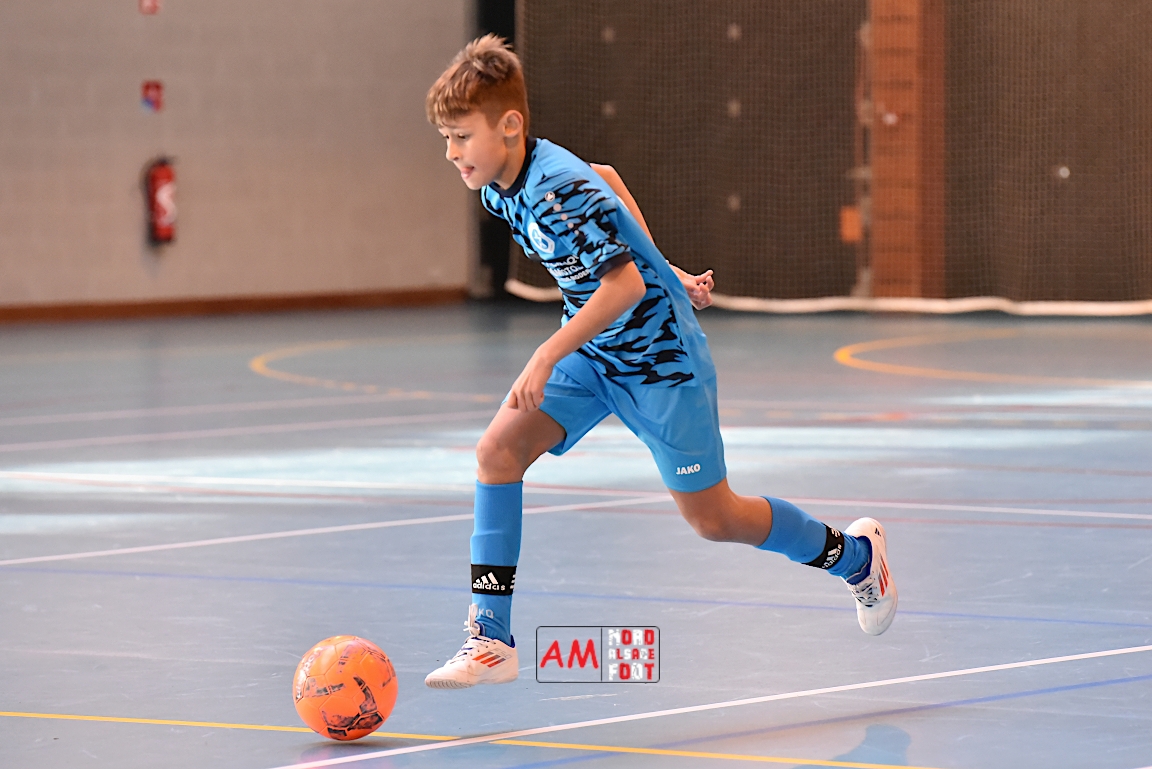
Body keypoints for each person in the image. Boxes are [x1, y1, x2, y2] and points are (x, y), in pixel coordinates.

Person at [422, 36, 897, 689]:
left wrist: (553, 347)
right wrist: (665, 267)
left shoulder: (556, 189)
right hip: (594, 352)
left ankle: (855, 558)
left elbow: (622, 286)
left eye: (460, 137)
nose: (451, 153)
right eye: (445, 138)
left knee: (715, 519)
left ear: (509, 125)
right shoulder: (501, 185)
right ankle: (491, 637)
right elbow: (609, 177)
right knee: (497, 453)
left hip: (660, 364)